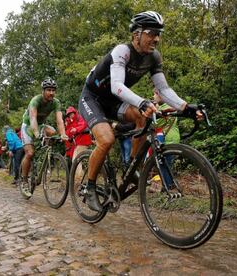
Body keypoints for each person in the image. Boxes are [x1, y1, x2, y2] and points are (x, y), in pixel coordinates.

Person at [78, 11, 202, 211]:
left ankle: (131, 167)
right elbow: (116, 85)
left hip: (114, 102)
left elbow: (163, 90)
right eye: (152, 33)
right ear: (137, 34)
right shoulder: (122, 51)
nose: (157, 38)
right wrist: (143, 102)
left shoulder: (154, 57)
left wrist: (186, 107)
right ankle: (90, 188)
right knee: (107, 140)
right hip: (92, 98)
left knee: (142, 117)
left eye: (159, 33)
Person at [20, 77, 68, 197]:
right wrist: (37, 134)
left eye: (53, 90)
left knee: (53, 132)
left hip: (41, 125)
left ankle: (44, 159)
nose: (51, 93)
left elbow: (59, 120)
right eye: (49, 90)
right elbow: (32, 119)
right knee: (30, 153)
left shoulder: (56, 102)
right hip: (28, 125)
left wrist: (63, 134)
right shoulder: (36, 100)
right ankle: (24, 181)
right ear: (43, 91)